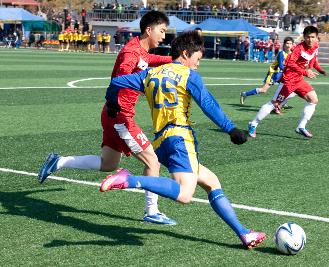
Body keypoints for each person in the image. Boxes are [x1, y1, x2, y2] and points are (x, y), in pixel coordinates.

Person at [100, 31, 266, 249]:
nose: (198, 64)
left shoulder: (150, 74)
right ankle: (128, 179)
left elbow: (117, 83)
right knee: (185, 194)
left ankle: (245, 234)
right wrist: (231, 129)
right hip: (179, 139)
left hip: (161, 142)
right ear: (186, 54)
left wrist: (112, 102)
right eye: (197, 59)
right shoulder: (189, 76)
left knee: (211, 182)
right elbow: (208, 104)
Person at [38, 11, 176, 225]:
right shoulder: (132, 52)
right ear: (149, 30)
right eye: (162, 31)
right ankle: (151, 211)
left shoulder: (140, 50)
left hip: (112, 114)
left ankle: (59, 161)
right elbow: (121, 78)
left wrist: (174, 61)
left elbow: (151, 60)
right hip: (119, 115)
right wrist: (144, 82)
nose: (164, 36)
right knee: (152, 160)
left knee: (108, 164)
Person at [248, 26, 327, 138]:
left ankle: (301, 127)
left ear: (316, 37)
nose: (310, 39)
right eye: (308, 37)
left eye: (313, 37)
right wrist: (306, 72)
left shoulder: (315, 46)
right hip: (289, 80)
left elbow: (313, 58)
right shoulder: (298, 49)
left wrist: (316, 69)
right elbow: (289, 64)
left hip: (299, 80)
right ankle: (253, 123)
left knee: (313, 99)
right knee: (274, 103)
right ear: (304, 37)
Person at [240, 37, 295, 114]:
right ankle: (245, 94)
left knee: (288, 89)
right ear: (284, 44)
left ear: (292, 45)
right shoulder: (281, 53)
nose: (288, 45)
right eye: (287, 43)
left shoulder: (292, 54)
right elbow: (281, 66)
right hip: (274, 74)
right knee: (263, 90)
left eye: (290, 43)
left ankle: (281, 104)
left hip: (282, 74)